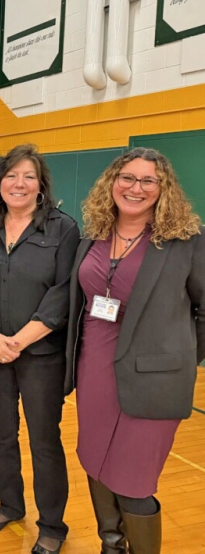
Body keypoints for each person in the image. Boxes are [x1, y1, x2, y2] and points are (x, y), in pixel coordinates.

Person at [64, 148, 204, 554]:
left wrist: (178, 361)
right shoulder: (93, 235)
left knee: (134, 479)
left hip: (154, 381)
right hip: (95, 370)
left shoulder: (187, 242)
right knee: (95, 461)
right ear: (112, 182)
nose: (135, 187)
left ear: (163, 190)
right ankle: (112, 544)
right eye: (127, 177)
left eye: (148, 180)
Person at [0, 144, 80, 554]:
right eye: (11, 176)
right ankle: (9, 505)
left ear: (41, 185)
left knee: (44, 440)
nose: (19, 183)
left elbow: (62, 296)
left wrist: (17, 342)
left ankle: (52, 526)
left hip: (41, 356)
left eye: (28, 176)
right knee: (2, 435)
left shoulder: (63, 229)